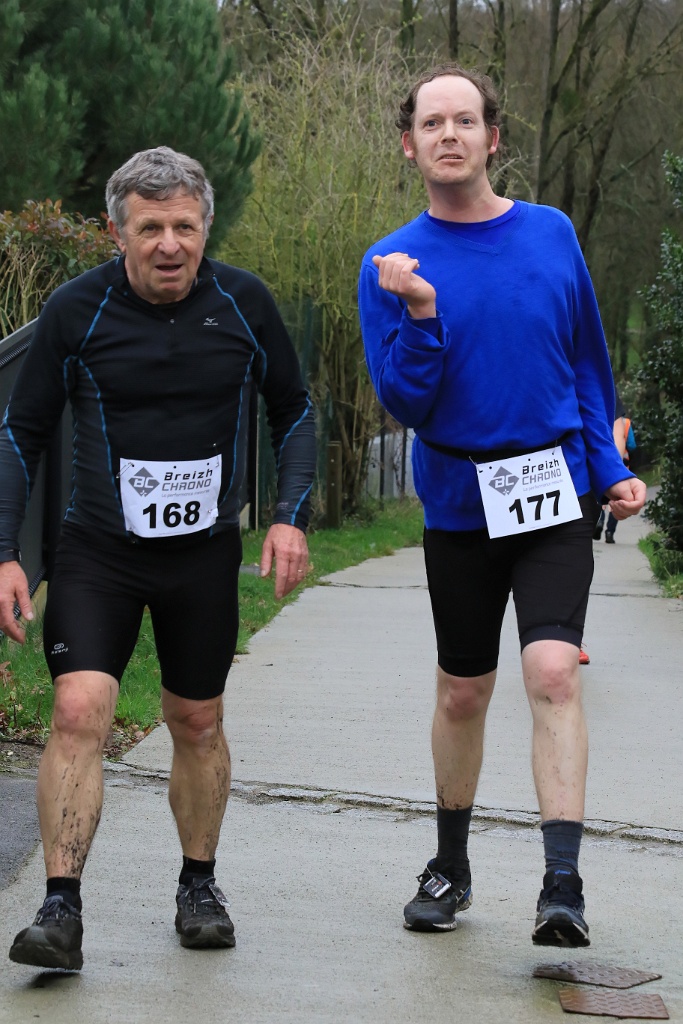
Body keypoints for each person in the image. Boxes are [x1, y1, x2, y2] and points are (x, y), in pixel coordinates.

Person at [0, 146, 316, 970]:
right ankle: (60, 907)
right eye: (149, 229)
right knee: (79, 711)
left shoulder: (244, 303)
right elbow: (20, 432)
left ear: (205, 226)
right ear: (118, 233)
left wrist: (288, 518)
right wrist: (3, 553)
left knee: (196, 720)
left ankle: (198, 886)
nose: (169, 245)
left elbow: (293, 411)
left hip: (201, 559)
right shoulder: (77, 309)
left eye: (184, 226)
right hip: (99, 552)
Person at [358, 64, 646, 947]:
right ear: (407, 145)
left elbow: (585, 363)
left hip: (552, 493)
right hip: (458, 503)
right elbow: (403, 403)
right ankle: (450, 865)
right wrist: (420, 313)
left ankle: (562, 885)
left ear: (492, 137)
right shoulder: (390, 263)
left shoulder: (551, 234)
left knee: (553, 672)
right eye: (430, 123)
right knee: (462, 692)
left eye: (464, 120)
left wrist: (608, 467)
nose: (448, 134)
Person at [594, 392, 636, 544]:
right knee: (617, 498)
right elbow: (632, 445)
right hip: (621, 464)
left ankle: (599, 520)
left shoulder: (600, 416)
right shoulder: (626, 423)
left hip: (601, 462)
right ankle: (610, 532)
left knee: (602, 497)